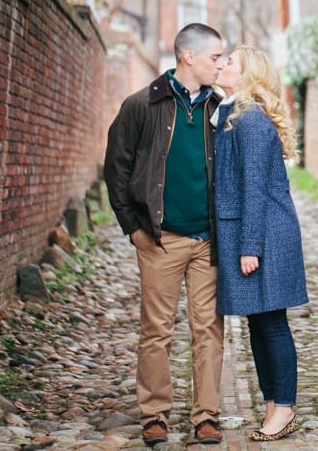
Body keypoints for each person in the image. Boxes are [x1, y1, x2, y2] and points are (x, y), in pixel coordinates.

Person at [104, 23, 226, 446]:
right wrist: (132, 228)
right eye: (215, 57)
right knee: (156, 329)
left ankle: (206, 415)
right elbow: (116, 169)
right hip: (160, 239)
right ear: (188, 56)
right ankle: (154, 414)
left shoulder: (219, 107)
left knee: (209, 329)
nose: (221, 64)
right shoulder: (142, 105)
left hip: (208, 240)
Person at [212, 45, 309, 442]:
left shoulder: (250, 120)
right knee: (258, 322)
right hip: (256, 230)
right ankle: (273, 404)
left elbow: (253, 188)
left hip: (265, 232)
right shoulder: (234, 113)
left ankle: (284, 408)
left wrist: (250, 246)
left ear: (248, 74)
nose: (221, 64)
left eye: (230, 62)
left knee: (271, 324)